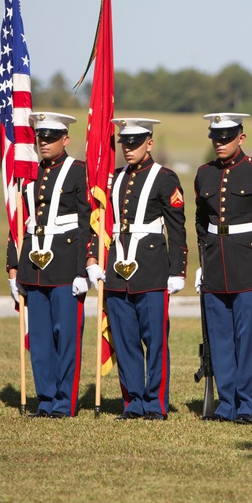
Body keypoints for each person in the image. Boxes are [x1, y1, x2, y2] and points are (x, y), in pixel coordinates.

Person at [85, 117, 187, 421]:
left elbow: (177, 229)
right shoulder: (112, 179)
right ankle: (133, 402)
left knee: (154, 340)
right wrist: (92, 259)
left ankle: (155, 403)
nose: (128, 149)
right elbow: (98, 222)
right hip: (116, 269)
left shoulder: (165, 178)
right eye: (124, 144)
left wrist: (178, 270)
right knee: (125, 339)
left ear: (150, 144)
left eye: (135, 143)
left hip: (152, 268)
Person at [194, 112, 252, 424]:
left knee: (247, 341)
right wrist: (202, 261)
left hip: (250, 267)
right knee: (220, 341)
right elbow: (200, 222)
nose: (219, 143)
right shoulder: (204, 174)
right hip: (215, 267)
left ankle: (247, 405)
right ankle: (226, 405)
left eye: (226, 137)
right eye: (215, 138)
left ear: (241, 138)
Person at [7, 112, 92, 418]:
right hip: (33, 265)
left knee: (66, 337)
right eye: (40, 138)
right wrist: (12, 266)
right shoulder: (27, 173)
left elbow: (88, 224)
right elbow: (18, 222)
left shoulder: (78, 171)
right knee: (41, 339)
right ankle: (45, 399)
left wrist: (85, 269)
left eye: (51, 138)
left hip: (67, 266)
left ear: (65, 140)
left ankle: (64, 402)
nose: (44, 143)